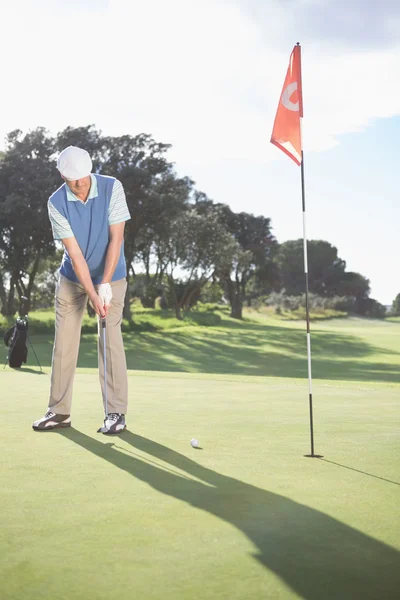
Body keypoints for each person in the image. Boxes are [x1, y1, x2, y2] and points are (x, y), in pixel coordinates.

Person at [32, 146, 131, 434]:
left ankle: (115, 413)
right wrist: (91, 292)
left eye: (83, 178)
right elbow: (75, 256)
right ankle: (59, 412)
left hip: (112, 276)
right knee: (63, 344)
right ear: (62, 175)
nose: (79, 185)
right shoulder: (56, 202)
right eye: (72, 180)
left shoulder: (113, 188)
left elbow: (117, 239)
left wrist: (104, 285)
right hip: (72, 279)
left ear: (90, 171)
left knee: (109, 339)